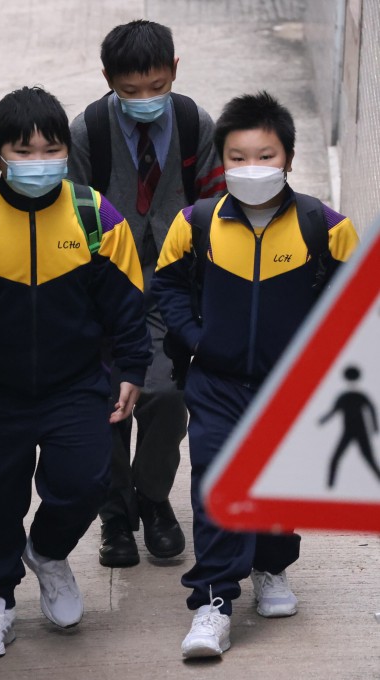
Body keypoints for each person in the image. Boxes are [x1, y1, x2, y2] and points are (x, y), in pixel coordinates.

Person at [0, 85, 151, 660]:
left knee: (85, 481)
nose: (38, 162)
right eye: (23, 152)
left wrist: (131, 366)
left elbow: (126, 304)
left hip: (75, 384)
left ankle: (48, 552)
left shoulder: (96, 216)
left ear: (65, 153)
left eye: (50, 150)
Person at [151, 91, 360, 658]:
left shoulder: (327, 227)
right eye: (238, 157)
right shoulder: (195, 224)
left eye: (265, 155)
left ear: (288, 158)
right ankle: (213, 604)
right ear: (221, 161)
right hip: (216, 384)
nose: (252, 168)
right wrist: (197, 341)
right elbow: (166, 286)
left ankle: (271, 567)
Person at [68, 19, 225, 568]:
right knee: (108, 400)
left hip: (172, 285)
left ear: (174, 73)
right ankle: (115, 513)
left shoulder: (193, 123)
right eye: (130, 91)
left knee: (168, 395)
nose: (145, 101)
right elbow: (72, 215)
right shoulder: (86, 132)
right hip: (104, 289)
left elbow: (214, 203)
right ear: (108, 78)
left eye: (157, 87)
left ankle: (153, 498)